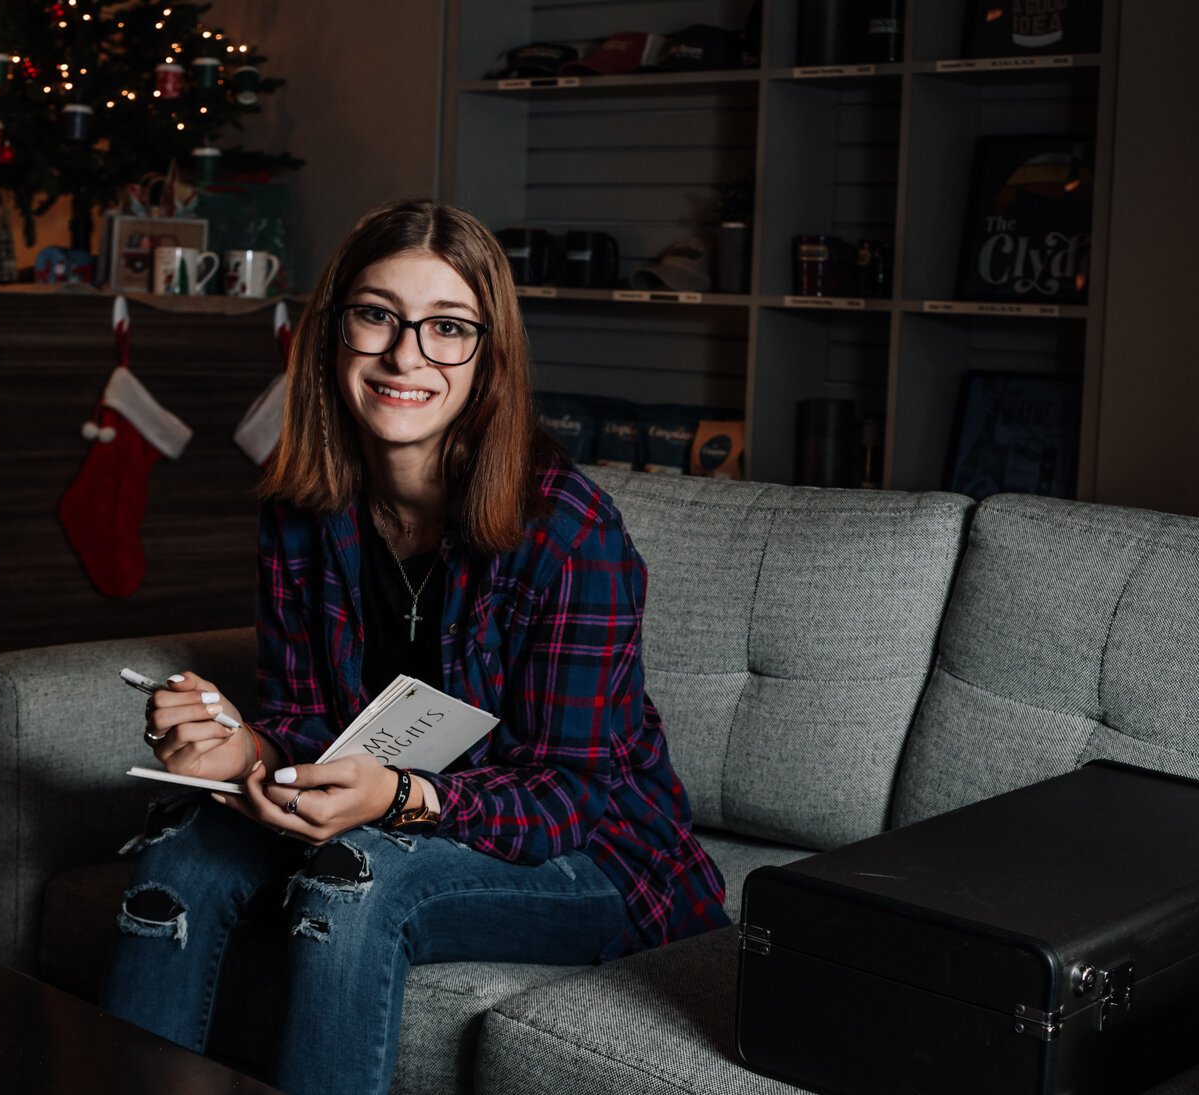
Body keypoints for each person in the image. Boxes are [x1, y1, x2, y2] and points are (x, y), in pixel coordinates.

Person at [100, 198, 728, 1095]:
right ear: (331, 333)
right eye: (376, 316)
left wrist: (402, 798)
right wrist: (242, 747)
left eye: (447, 328)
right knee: (182, 848)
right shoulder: (301, 508)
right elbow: (309, 716)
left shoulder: (570, 531)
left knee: (352, 877)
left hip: (599, 859)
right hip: (391, 805)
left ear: (489, 356)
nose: (406, 356)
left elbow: (572, 796)